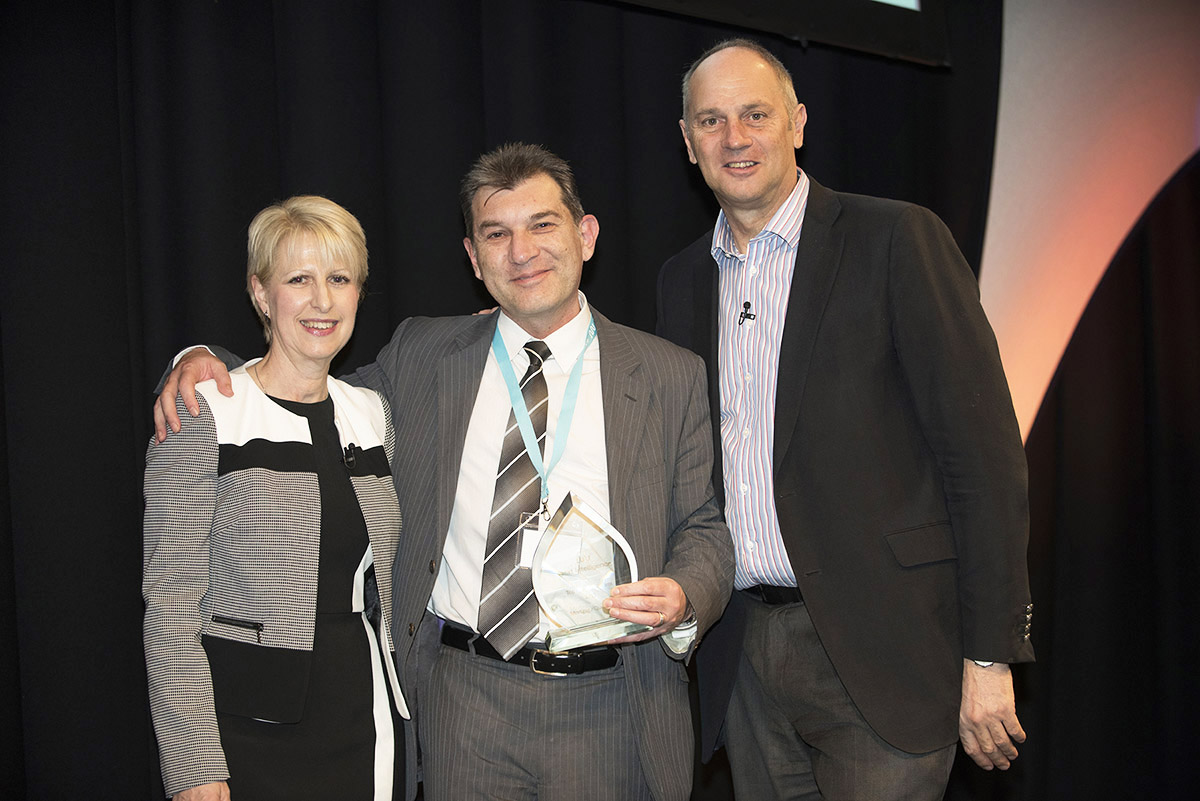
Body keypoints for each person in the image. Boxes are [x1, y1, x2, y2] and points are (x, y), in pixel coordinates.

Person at [155, 143, 734, 801]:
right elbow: (304, 387)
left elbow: (704, 528)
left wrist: (685, 593)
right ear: (474, 258)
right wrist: (201, 359)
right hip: (463, 703)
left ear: (586, 235)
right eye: (497, 233)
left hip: (610, 703)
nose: (522, 251)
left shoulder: (668, 374)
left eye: (542, 224)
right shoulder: (423, 353)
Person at [656, 39, 1035, 800]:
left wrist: (989, 654)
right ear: (688, 142)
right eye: (712, 120)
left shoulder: (896, 239)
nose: (735, 137)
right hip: (742, 659)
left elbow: (983, 458)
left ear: (797, 123)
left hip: (886, 650)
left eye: (755, 114)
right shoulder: (681, 279)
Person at [143, 196, 407, 801]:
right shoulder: (205, 412)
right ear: (261, 293)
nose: (322, 301)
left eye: (339, 279)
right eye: (298, 280)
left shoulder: (372, 413)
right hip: (241, 732)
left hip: (364, 717)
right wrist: (193, 766)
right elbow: (170, 606)